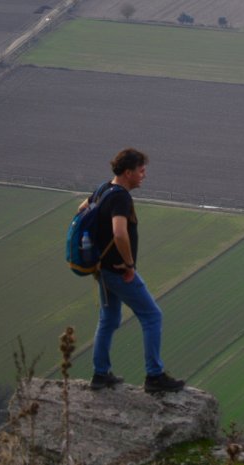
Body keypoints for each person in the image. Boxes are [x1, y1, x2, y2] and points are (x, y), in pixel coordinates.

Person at [78, 148, 185, 393]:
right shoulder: (121, 198)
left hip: (102, 269)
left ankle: (100, 374)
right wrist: (128, 265)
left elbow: (81, 210)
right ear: (128, 172)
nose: (144, 175)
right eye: (141, 171)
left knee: (109, 319)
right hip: (117, 270)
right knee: (152, 316)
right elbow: (119, 232)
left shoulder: (103, 189)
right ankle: (154, 376)